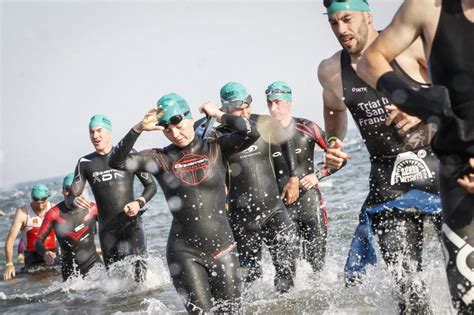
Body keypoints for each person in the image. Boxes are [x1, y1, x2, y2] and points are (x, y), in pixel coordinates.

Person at [317, 0, 442, 312]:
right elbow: (334, 107)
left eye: (347, 19)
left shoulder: (411, 47)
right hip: (388, 185)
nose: (341, 30)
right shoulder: (331, 70)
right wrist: (333, 140)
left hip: (441, 171)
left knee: (465, 270)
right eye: (333, 23)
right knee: (409, 289)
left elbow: (458, 88)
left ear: (368, 16)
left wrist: (420, 104)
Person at [356, 0, 474, 311]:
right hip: (459, 177)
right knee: (467, 304)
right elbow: (372, 60)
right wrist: (416, 101)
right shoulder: (427, 7)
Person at [109, 93, 260, 314]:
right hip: (184, 253)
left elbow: (251, 131)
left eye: (178, 123)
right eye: (167, 129)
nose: (175, 133)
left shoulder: (216, 148)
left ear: (190, 117)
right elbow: (117, 161)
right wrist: (138, 128)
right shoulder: (160, 158)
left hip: (223, 248)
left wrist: (218, 115)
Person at [212, 82, 299, 293]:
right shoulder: (216, 137)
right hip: (241, 217)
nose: (244, 111)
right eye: (237, 108)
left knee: (288, 269)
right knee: (251, 281)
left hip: (274, 210)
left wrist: (293, 178)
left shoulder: (263, 122)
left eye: (247, 105)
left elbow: (286, 142)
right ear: (223, 110)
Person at [66, 114, 157, 282]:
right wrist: (74, 200)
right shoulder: (85, 162)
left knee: (141, 277)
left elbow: (151, 186)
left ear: (109, 132)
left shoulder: (128, 154)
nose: (95, 136)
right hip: (107, 230)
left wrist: (139, 202)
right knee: (116, 285)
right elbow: (70, 198)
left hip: (132, 224)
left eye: (99, 131)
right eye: (91, 132)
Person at [266, 80, 334, 273]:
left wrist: (319, 174)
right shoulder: (264, 134)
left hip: (310, 205)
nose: (273, 108)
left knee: (317, 269)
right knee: (287, 272)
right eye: (269, 103)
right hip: (281, 209)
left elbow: (338, 156)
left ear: (289, 102)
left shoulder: (307, 127)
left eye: (278, 102)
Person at [35, 173, 103, 281]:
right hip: (70, 271)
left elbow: (111, 227)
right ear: (62, 191)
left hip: (94, 264)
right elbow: (38, 241)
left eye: (74, 189)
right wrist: (45, 253)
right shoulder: (54, 213)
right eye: (67, 189)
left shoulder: (92, 208)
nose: (71, 193)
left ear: (80, 190)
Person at [4, 184, 58, 280]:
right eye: (37, 202)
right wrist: (9, 264)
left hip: (53, 255)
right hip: (33, 259)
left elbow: (66, 233)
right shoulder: (22, 212)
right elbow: (10, 240)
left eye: (43, 202)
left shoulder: (54, 209)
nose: (40, 206)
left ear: (48, 197)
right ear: (32, 198)